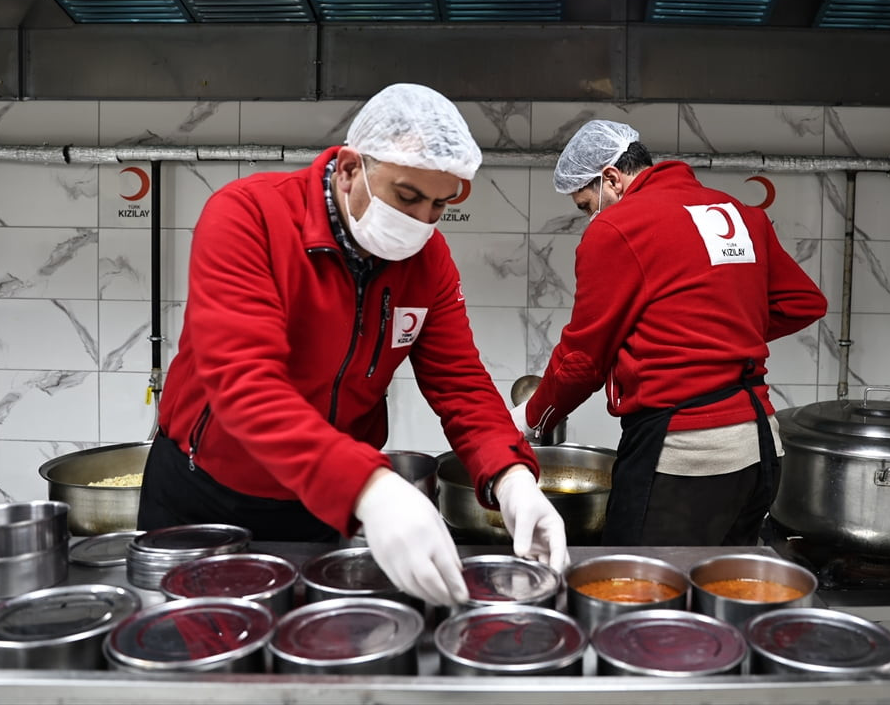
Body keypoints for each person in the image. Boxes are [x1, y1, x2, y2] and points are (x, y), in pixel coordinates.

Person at [138, 83, 568, 606]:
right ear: (347, 168)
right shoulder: (249, 217)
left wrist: (513, 477)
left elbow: (460, 384)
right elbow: (244, 384)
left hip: (321, 504)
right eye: (407, 196)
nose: (421, 221)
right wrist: (372, 487)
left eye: (439, 205)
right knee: (200, 663)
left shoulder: (427, 263)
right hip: (204, 497)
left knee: (311, 655)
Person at [511, 120, 826, 546]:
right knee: (713, 598)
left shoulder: (617, 227)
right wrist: (715, 333)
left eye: (586, 205)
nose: (590, 217)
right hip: (760, 451)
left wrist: (531, 420)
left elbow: (584, 360)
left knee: (633, 596)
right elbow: (803, 302)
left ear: (611, 178)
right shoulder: (739, 213)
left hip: (684, 457)